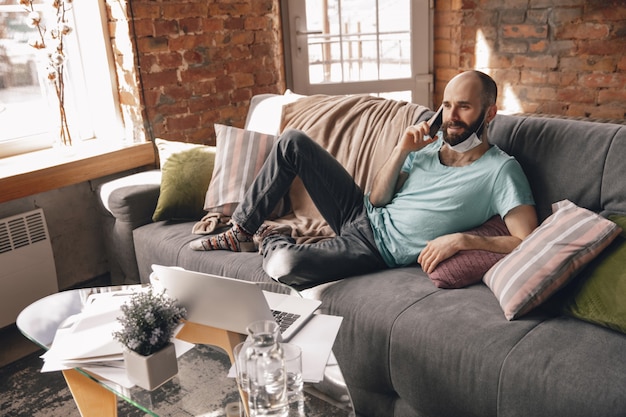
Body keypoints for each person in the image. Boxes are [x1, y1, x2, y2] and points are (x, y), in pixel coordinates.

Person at [190, 70, 538, 289]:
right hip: (361, 213)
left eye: (464, 107)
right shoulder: (428, 149)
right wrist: (403, 148)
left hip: (376, 248)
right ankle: (241, 229)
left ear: (489, 112)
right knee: (292, 142)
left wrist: (463, 241)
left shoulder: (501, 171)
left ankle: (271, 235)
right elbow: (377, 198)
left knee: (286, 264)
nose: (451, 117)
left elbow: (526, 240)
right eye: (446, 106)